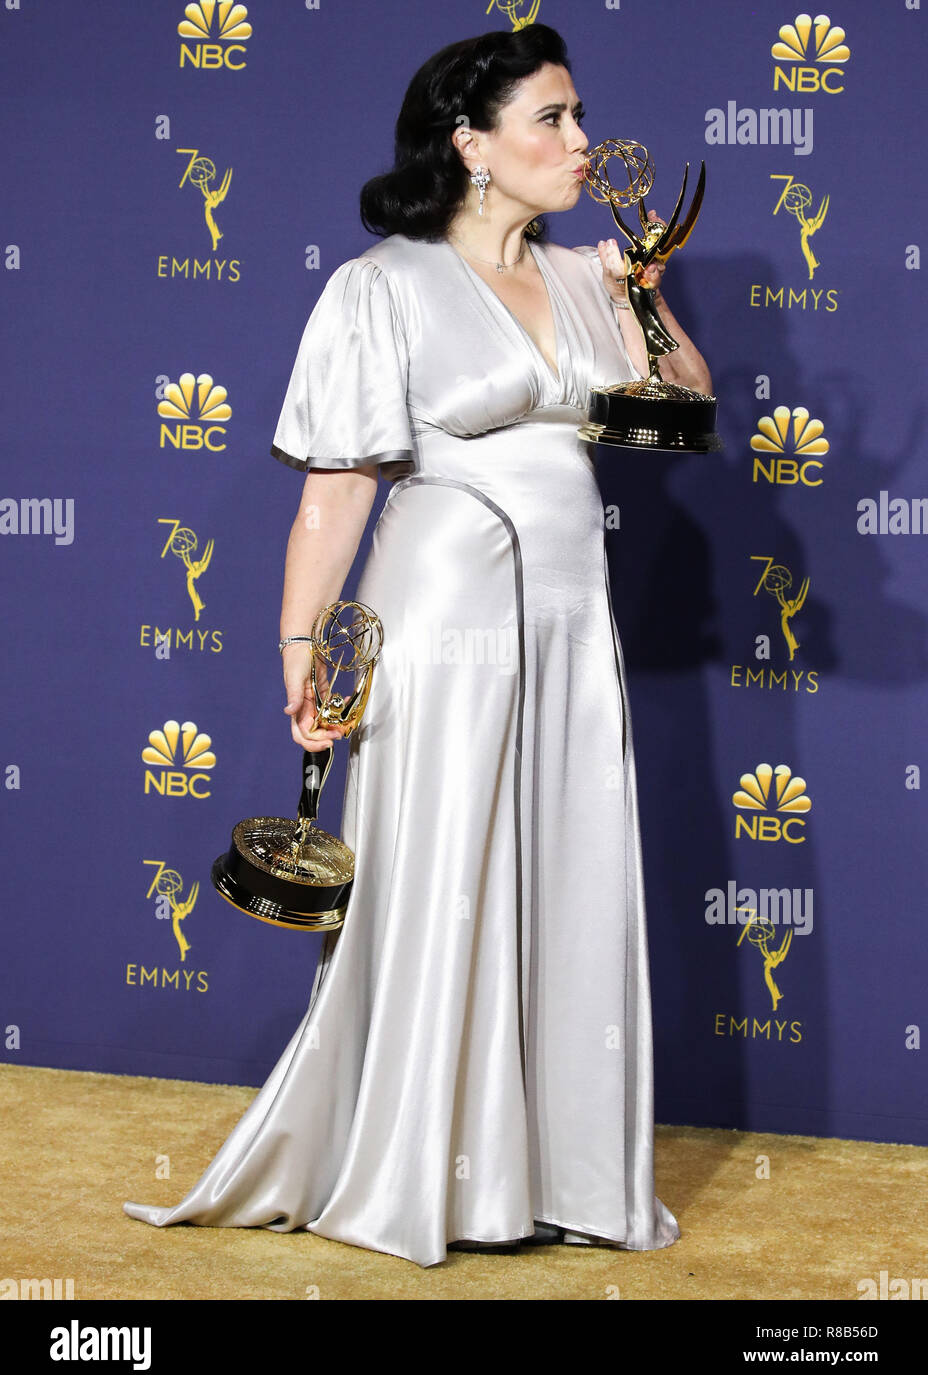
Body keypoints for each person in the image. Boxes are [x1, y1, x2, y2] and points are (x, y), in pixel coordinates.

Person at [123, 23, 710, 1268]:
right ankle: (422, 1170)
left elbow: (686, 411)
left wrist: (644, 297)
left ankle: (553, 1170)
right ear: (471, 144)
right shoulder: (380, 285)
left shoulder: (588, 275)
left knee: (562, 859)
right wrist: (299, 646)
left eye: (576, 114)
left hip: (564, 610)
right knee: (442, 863)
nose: (579, 142)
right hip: (441, 610)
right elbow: (334, 496)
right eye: (549, 119)